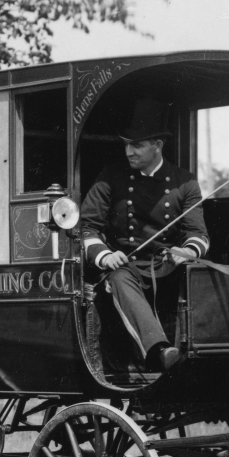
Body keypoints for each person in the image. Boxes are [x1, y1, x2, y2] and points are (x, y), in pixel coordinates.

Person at [78, 98, 208, 373]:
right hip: (125, 267)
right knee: (119, 278)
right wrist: (105, 255)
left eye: (136, 145)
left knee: (197, 277)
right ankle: (160, 353)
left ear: (157, 146)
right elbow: (87, 227)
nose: (128, 151)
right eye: (126, 144)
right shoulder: (110, 176)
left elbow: (198, 234)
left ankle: (203, 354)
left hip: (167, 266)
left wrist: (186, 252)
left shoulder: (185, 181)